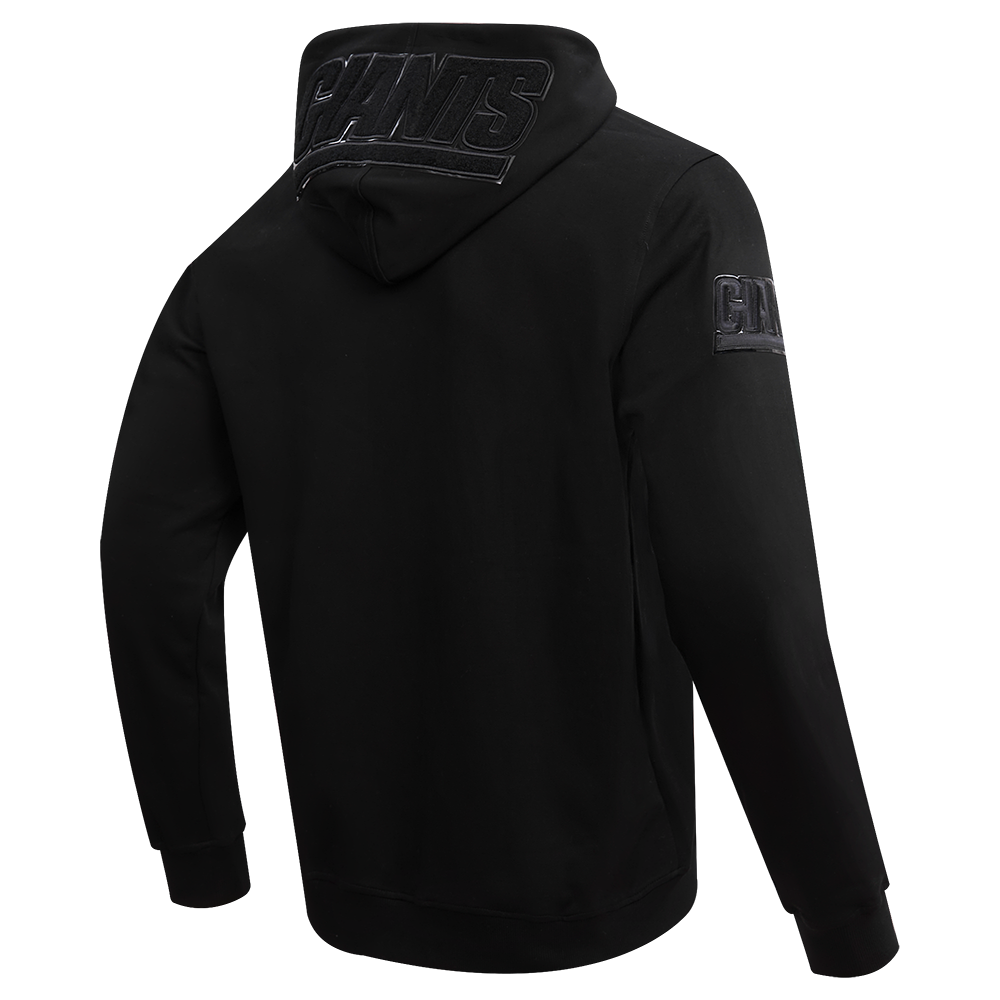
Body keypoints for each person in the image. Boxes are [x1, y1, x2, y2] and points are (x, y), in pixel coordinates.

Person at [102, 22, 899, 977]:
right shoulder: (672, 203)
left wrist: (200, 854)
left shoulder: (236, 259)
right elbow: (745, 582)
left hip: (350, 890)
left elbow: (149, 568)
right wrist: (848, 921)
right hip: (602, 894)